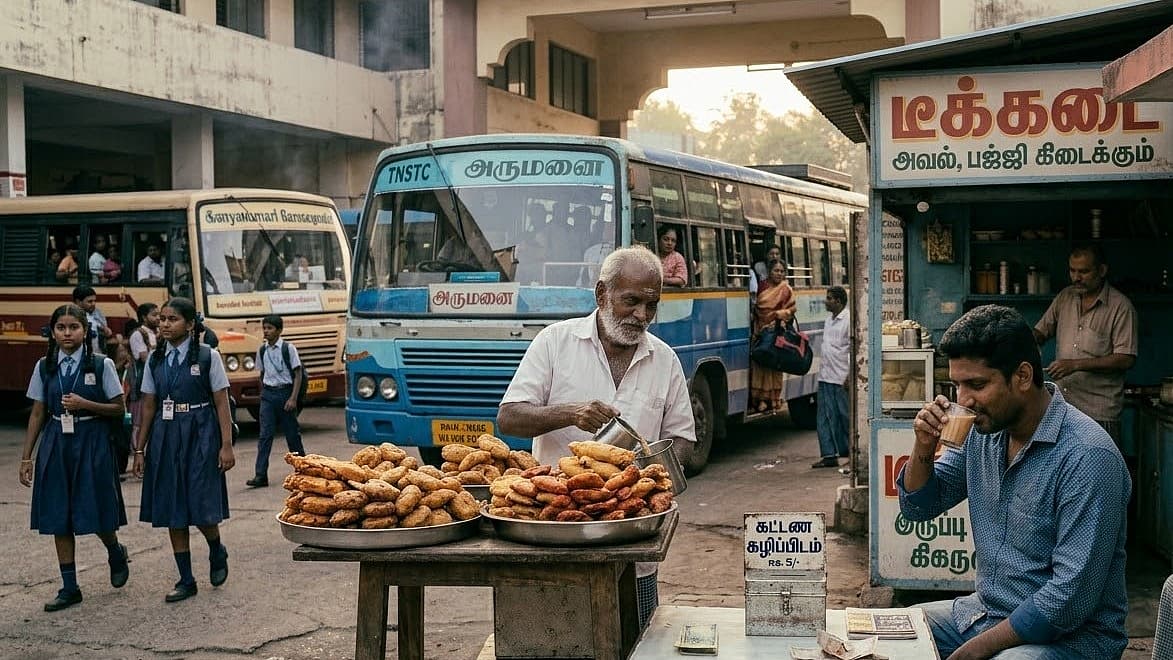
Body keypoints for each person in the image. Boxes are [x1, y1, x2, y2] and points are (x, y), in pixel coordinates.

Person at [900, 305, 1130, 660]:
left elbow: (1066, 600)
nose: (963, 400)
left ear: (1022, 376)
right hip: (986, 615)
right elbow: (919, 507)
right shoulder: (984, 432)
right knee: (890, 637)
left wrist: (972, 651)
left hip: (1070, 639)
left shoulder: (1087, 456)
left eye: (977, 384)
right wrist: (923, 446)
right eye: (956, 385)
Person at [498, 246, 695, 631]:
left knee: (633, 638)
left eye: (651, 305)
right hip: (555, 529)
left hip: (631, 539)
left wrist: (654, 477)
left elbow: (682, 439)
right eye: (631, 301)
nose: (641, 316)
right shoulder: (555, 342)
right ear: (602, 294)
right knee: (553, 642)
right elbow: (509, 417)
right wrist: (569, 413)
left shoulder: (665, 359)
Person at [18, 304, 129, 612]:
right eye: (61, 328)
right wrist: (27, 457)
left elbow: (119, 408)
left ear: (85, 330)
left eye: (73, 327)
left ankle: (114, 549)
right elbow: (38, 411)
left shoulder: (100, 364)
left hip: (91, 441)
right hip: (56, 441)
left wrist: (85, 404)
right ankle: (69, 586)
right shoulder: (45, 366)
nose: (67, 333)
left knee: (94, 508)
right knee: (58, 512)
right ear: (53, 332)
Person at [132, 297, 234, 603]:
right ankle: (186, 579)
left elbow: (221, 402)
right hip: (166, 434)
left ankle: (216, 548)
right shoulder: (155, 359)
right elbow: (149, 404)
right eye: (161, 319)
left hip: (201, 432)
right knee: (172, 506)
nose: (164, 324)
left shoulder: (206, 356)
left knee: (200, 504)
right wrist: (140, 449)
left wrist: (226, 445)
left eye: (172, 319)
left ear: (190, 325)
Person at [1033, 245, 1137, 441]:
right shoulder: (1065, 297)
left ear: (1102, 271)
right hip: (1062, 407)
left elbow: (1126, 359)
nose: (1076, 278)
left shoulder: (1121, 307)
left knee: (1099, 469)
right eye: (1072, 271)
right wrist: (1021, 341)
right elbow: (1041, 331)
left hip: (1099, 412)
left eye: (1084, 271)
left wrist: (1075, 365)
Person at [248, 314, 305, 488]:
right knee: (265, 435)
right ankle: (260, 474)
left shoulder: (288, 349)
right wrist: (263, 394)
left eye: (270, 328)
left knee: (292, 435)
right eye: (264, 328)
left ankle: (303, 470)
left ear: (279, 331)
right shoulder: (262, 350)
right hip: (269, 395)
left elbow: (298, 374)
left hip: (285, 393)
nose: (266, 331)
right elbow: (261, 373)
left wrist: (293, 398)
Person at [750, 259, 796, 413]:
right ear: (769, 271)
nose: (779, 274)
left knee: (774, 365)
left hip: (776, 331)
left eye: (782, 271)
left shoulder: (786, 289)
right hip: (760, 330)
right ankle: (760, 399)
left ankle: (773, 400)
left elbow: (792, 309)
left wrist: (778, 315)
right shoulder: (761, 286)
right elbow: (756, 306)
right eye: (776, 270)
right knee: (760, 363)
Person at [813, 286, 850, 468]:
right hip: (826, 375)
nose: (826, 301)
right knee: (824, 417)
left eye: (829, 298)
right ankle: (829, 455)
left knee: (845, 417)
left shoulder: (848, 320)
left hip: (841, 376)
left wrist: (850, 375)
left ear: (838, 301)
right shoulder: (829, 320)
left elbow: (853, 349)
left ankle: (853, 452)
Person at [127, 303, 158, 459]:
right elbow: (145, 359)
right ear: (144, 317)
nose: (158, 318)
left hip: (155, 383)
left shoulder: (156, 333)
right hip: (141, 384)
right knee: (139, 421)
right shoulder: (138, 334)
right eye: (154, 315)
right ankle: (138, 452)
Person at [72, 285, 113, 356]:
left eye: (94, 301)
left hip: (98, 354)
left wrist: (106, 331)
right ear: (78, 302)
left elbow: (107, 332)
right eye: (90, 301)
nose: (93, 304)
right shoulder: (71, 316)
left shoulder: (98, 313)